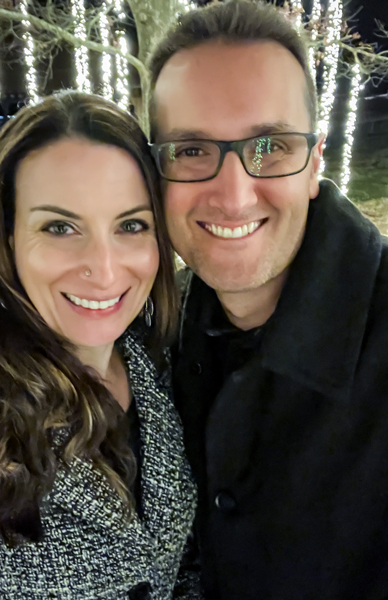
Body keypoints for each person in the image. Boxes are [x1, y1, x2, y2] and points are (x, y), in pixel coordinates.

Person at [148, 1, 388, 599]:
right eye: (192, 150)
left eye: (271, 146)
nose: (232, 196)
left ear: (314, 165)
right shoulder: (148, 335)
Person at [0, 91, 200, 600]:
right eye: (60, 227)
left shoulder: (165, 364)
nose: (103, 270)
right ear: (4, 237)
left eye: (131, 225)